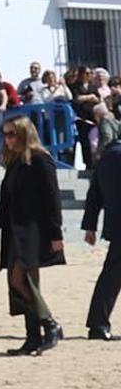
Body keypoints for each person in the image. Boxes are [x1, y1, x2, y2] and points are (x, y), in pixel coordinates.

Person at [0, 115, 65, 354]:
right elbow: (5, 203)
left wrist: (55, 233)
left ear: (24, 134)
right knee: (20, 282)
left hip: (34, 230)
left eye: (12, 134)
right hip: (15, 231)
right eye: (5, 135)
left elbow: (52, 199)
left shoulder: (41, 160)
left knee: (21, 278)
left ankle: (50, 324)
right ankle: (33, 338)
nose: (7, 140)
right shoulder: (15, 163)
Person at [81, 131, 121, 341]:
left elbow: (94, 194)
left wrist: (90, 226)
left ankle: (97, 323)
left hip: (115, 225)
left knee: (111, 276)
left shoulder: (108, 155)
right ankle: (97, 323)